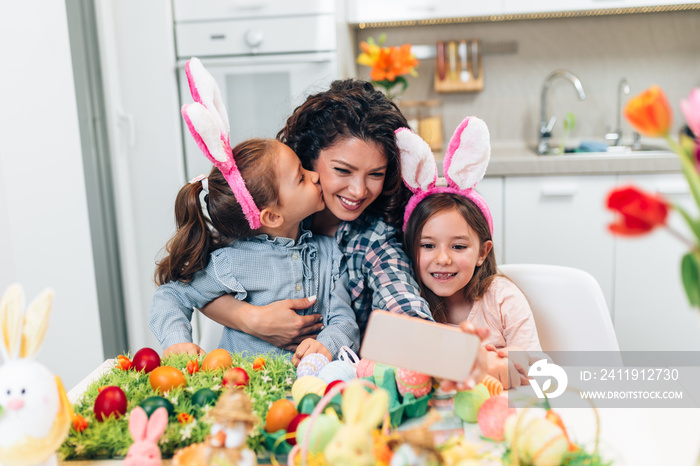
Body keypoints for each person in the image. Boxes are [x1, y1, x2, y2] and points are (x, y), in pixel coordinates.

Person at [149, 58, 359, 364]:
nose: (315, 177)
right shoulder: (232, 262)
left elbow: (344, 320)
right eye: (301, 177)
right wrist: (177, 342)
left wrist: (326, 345)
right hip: (242, 392)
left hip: (306, 391)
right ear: (272, 216)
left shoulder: (330, 255)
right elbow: (172, 295)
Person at [200, 79, 433, 348]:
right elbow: (190, 283)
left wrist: (451, 349)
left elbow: (402, 300)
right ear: (309, 158)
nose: (358, 191)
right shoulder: (268, 210)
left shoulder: (373, 239)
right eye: (343, 170)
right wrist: (251, 319)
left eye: (375, 174)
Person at [399, 117, 544, 389]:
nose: (443, 258)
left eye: (458, 246)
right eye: (428, 245)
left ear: (482, 252)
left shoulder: (501, 297)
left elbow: (538, 368)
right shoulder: (410, 302)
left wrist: (513, 362)